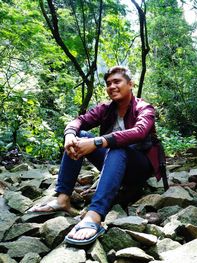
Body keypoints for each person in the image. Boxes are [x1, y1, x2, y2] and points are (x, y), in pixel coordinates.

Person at [28, 66, 162, 245]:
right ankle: (62, 200)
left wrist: (98, 142)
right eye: (108, 83)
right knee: (80, 136)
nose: (112, 86)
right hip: (114, 164)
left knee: (117, 147)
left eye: (117, 82)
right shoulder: (106, 108)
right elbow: (80, 121)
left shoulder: (144, 107)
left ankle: (95, 215)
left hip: (138, 167)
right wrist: (69, 135)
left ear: (130, 84)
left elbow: (139, 132)